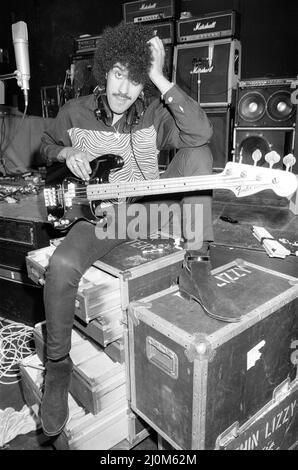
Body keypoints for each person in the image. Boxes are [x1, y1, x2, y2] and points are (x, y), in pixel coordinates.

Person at [39, 20, 239, 438]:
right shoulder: (73, 112)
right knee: (61, 267)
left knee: (198, 153)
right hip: (108, 218)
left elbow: (201, 132)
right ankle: (57, 367)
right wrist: (64, 150)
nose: (123, 90)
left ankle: (197, 266)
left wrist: (158, 76)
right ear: (104, 69)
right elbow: (43, 147)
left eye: (134, 81)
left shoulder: (151, 113)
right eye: (118, 75)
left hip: (152, 213)